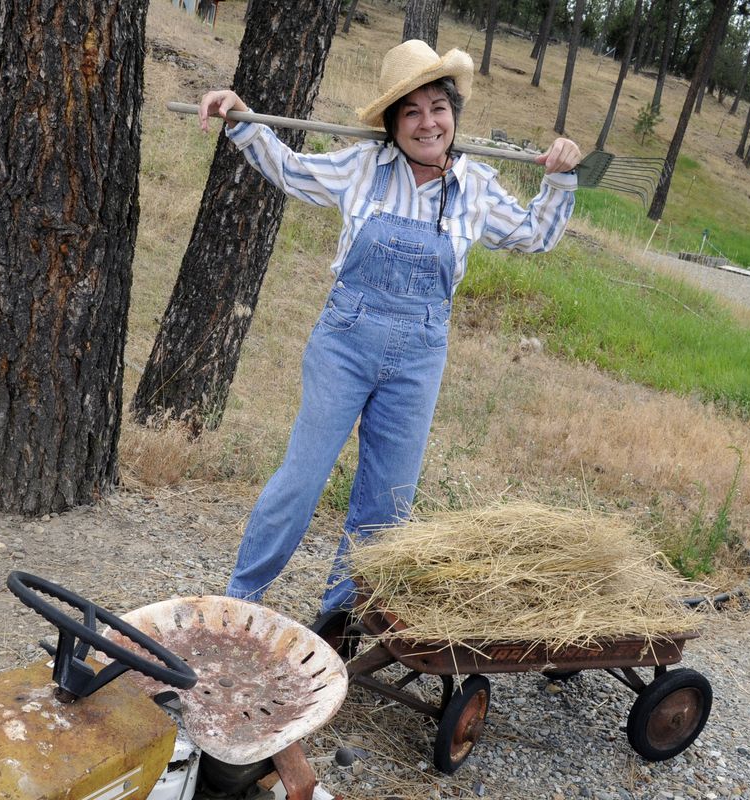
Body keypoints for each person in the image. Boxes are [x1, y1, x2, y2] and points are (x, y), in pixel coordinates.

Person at [199, 39, 581, 617]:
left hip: (420, 354)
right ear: (392, 124)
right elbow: (292, 170)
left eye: (438, 108)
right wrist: (242, 118)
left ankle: (339, 621)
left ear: (454, 114)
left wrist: (558, 178)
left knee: (386, 503)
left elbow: (533, 235)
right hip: (345, 341)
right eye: (411, 112)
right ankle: (238, 601)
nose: (428, 123)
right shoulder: (362, 168)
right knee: (301, 481)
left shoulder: (475, 186)